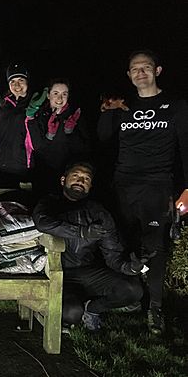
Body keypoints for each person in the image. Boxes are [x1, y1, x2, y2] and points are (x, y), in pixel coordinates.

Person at [97, 49, 188, 335]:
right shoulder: (124, 106)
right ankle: (129, 298)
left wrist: (187, 188)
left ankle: (156, 309)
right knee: (124, 243)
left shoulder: (176, 106)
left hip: (158, 186)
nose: (141, 73)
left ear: (157, 70)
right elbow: (102, 137)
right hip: (124, 185)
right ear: (129, 75)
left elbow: (186, 147)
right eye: (135, 69)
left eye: (146, 68)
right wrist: (107, 112)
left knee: (155, 247)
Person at [32, 162, 144, 332]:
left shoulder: (98, 213)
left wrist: (131, 268)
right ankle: (71, 307)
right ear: (63, 180)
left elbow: (113, 255)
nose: (80, 181)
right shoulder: (50, 202)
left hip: (89, 273)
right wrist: (82, 232)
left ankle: (93, 309)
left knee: (133, 290)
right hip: (57, 274)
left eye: (86, 179)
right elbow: (42, 223)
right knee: (72, 313)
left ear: (90, 186)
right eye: (75, 176)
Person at [0, 63, 45, 188]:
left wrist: (30, 116)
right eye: (13, 81)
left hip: (19, 169)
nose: (17, 85)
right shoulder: (3, 104)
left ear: (27, 82)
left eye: (21, 80)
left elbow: (36, 144)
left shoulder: (36, 104)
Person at [28, 78, 91, 197]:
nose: (59, 98)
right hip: (42, 172)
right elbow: (37, 147)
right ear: (48, 95)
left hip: (65, 174)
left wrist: (69, 132)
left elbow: (83, 149)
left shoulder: (74, 116)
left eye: (64, 94)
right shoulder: (40, 114)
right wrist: (49, 136)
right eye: (55, 93)